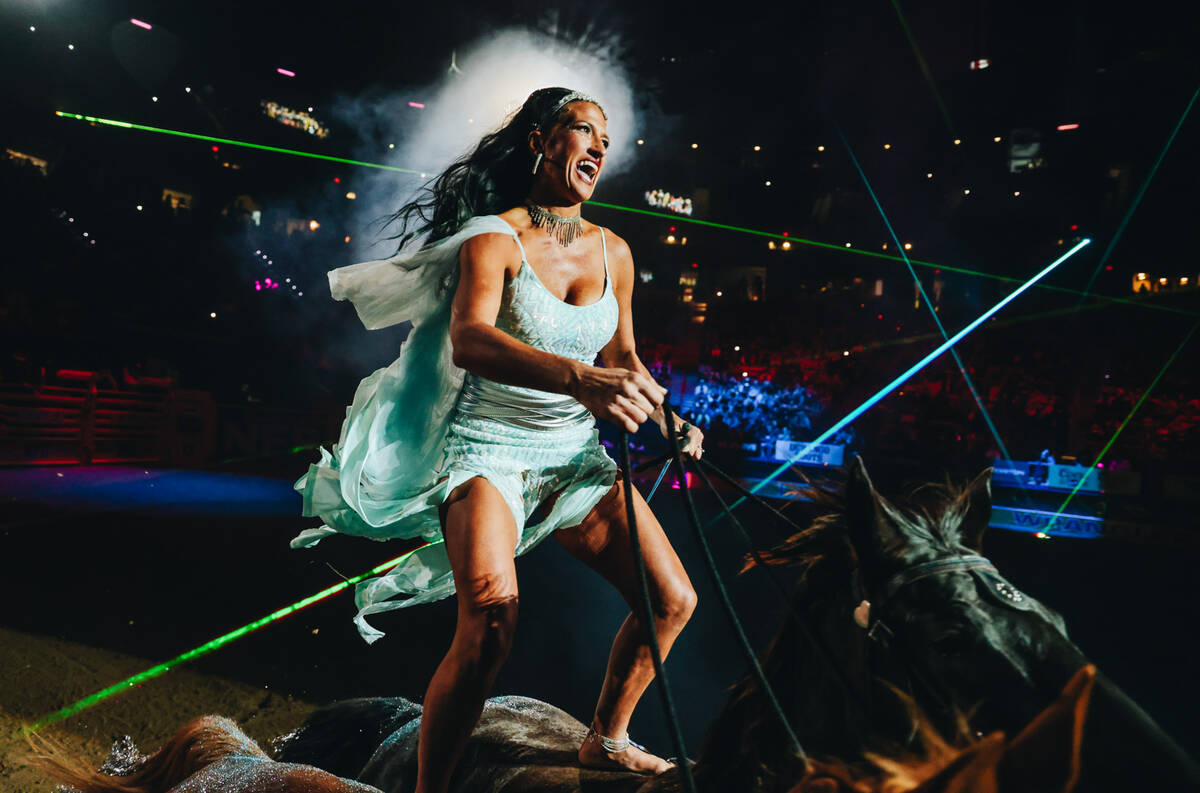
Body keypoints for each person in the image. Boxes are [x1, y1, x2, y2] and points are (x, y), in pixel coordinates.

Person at [292, 87, 705, 792]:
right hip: (489, 454)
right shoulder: (495, 236)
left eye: (606, 137)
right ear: (543, 141)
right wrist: (580, 379)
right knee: (489, 622)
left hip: (573, 462)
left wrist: (672, 419)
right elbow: (471, 338)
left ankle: (605, 737)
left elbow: (625, 358)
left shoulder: (616, 252)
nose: (599, 147)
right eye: (583, 130)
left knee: (673, 599)